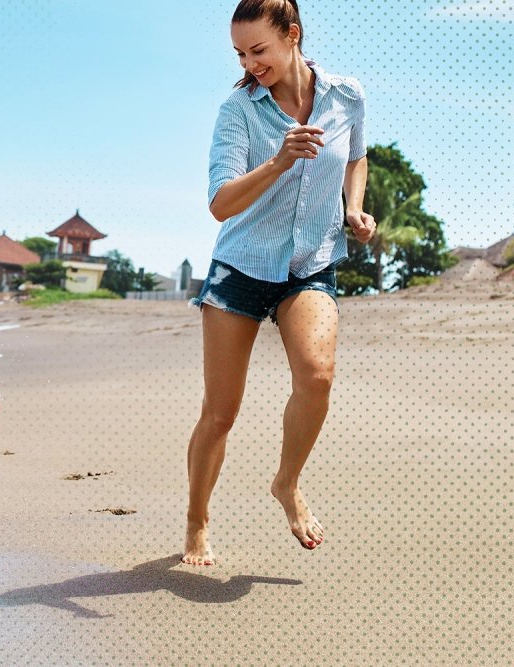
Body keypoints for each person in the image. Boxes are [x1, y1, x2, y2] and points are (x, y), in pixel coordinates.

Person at [184, 0, 376, 565]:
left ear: (292, 35)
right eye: (241, 53)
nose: (250, 62)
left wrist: (353, 209)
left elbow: (355, 157)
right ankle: (197, 518)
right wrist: (278, 162)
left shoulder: (347, 95)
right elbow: (220, 205)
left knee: (316, 376)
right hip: (241, 267)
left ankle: (286, 482)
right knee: (220, 413)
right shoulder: (238, 111)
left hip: (311, 261)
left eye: (259, 50)